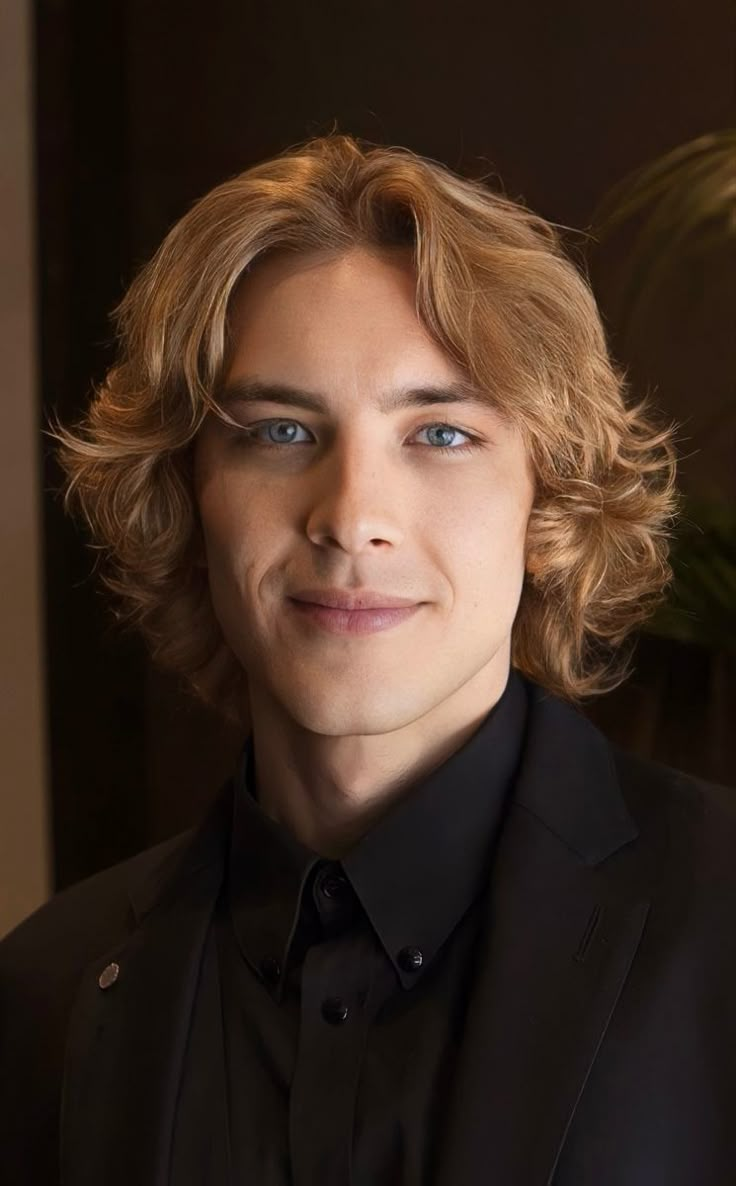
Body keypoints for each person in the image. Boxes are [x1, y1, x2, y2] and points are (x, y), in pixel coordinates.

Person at [1, 132, 734, 1186]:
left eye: (439, 434)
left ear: (550, 496)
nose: (350, 518)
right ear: (186, 492)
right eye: (278, 432)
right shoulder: (43, 993)